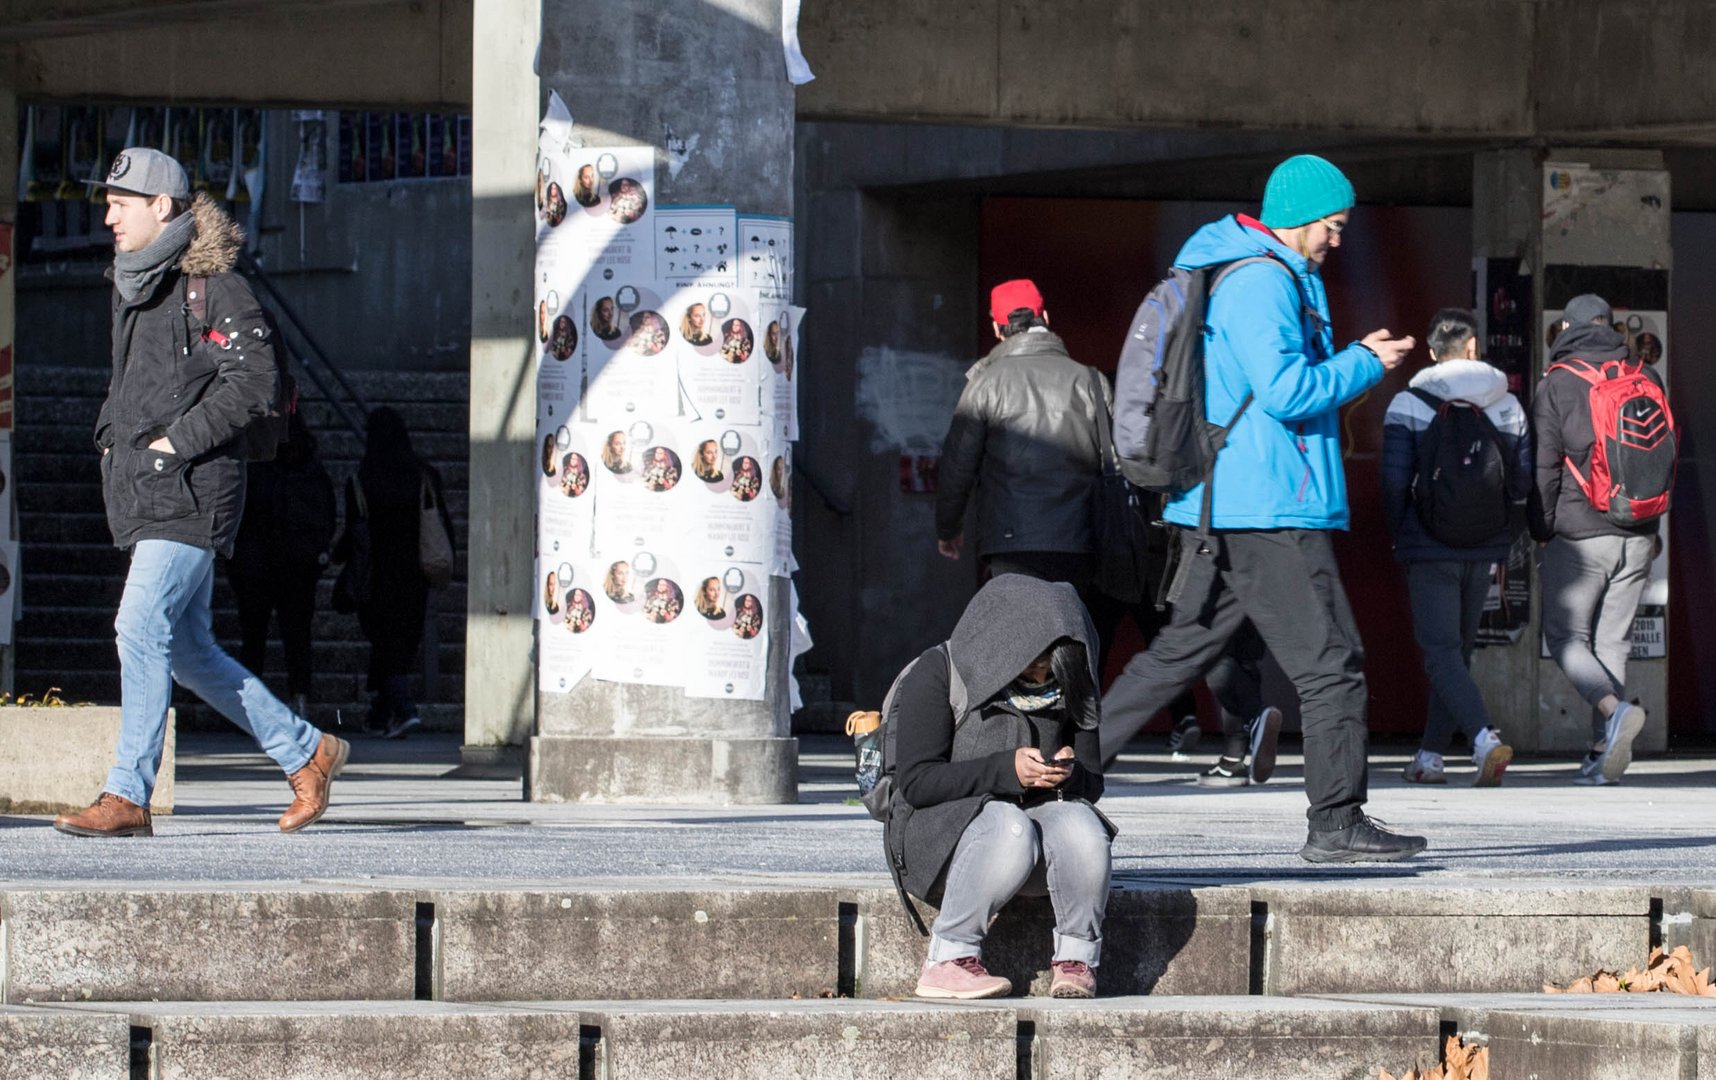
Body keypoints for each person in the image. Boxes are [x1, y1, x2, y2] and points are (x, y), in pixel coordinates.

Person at [1100, 154, 1424, 862]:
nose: (1337, 242)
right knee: (1332, 662)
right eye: (1331, 228)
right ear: (1300, 220)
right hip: (1270, 504)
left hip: (1231, 500)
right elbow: (1285, 391)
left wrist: (1348, 363)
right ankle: (1336, 824)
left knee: (1178, 652)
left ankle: (1061, 774)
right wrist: (1364, 362)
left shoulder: (1252, 271)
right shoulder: (1261, 280)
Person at [54, 148, 348, 838]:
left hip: (194, 491)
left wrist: (173, 445)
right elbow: (131, 389)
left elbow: (255, 385)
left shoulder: (215, 286)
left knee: (137, 626)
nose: (108, 216)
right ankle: (307, 749)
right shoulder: (136, 286)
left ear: (163, 206)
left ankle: (128, 794)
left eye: (120, 204)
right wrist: (111, 436)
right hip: (146, 491)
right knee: (187, 652)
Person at [889, 574, 1113, 1000]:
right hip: (946, 839)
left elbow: (1093, 781)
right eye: (1031, 663)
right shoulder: (939, 672)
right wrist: (1005, 770)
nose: (1040, 675)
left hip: (1030, 848)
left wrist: (1071, 773)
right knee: (1010, 825)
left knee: (1084, 825)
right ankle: (948, 958)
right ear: (1001, 644)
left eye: (1050, 667)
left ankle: (1076, 959)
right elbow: (916, 783)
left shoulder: (1070, 680)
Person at [1381, 308, 1530, 786]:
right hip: (1484, 545)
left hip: (1428, 544)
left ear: (1431, 352)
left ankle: (1484, 738)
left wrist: (1400, 533)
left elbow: (1393, 481)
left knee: (1440, 651)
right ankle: (1430, 757)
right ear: (1473, 347)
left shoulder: (1409, 403)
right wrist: (1505, 531)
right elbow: (1522, 480)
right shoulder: (1507, 404)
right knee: (1456, 653)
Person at [1532, 294, 1664, 785]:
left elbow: (1543, 467)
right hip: (1638, 532)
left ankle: (1612, 711)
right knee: (1612, 641)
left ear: (1566, 326)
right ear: (1611, 326)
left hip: (1581, 532)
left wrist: (1541, 529)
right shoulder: (1646, 377)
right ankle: (1599, 751)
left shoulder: (1559, 383)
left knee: (1565, 636)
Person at [333, 406, 454, 740]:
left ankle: (401, 709)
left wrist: (333, 556)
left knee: (384, 643)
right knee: (401, 644)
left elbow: (354, 530)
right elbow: (440, 523)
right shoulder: (423, 475)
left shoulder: (361, 479)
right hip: (415, 573)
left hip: (376, 575)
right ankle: (383, 712)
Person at [223, 412, 337, 724]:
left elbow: (239, 514)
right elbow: (327, 514)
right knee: (298, 637)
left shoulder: (257, 467)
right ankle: (300, 699)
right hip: (299, 567)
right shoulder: (310, 469)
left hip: (256, 567)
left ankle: (249, 709)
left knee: (253, 638)